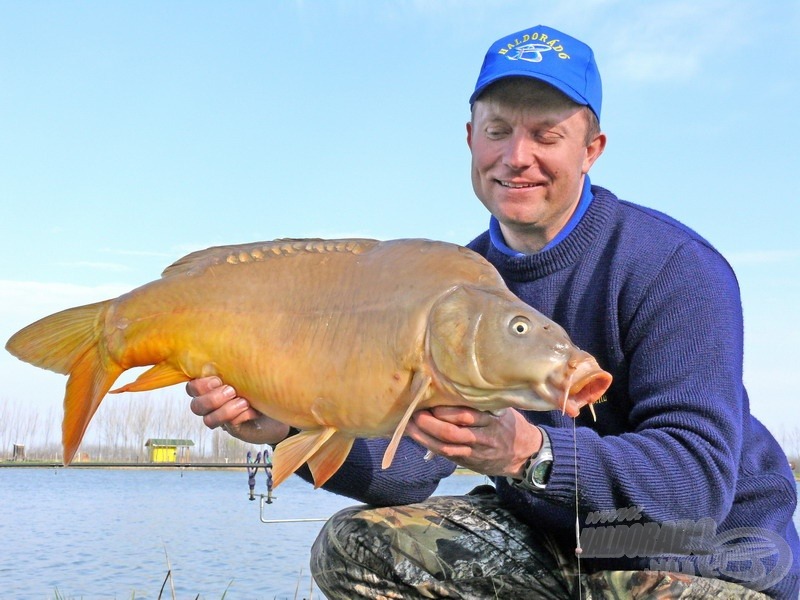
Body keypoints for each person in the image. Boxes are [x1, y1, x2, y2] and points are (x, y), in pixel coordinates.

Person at [187, 25, 799, 599]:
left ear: (591, 150)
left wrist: (531, 454)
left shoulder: (675, 267)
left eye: (547, 135)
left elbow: (697, 486)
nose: (517, 156)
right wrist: (286, 424)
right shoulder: (455, 286)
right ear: (470, 139)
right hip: (559, 537)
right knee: (356, 546)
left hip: (702, 546)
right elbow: (411, 465)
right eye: (499, 130)